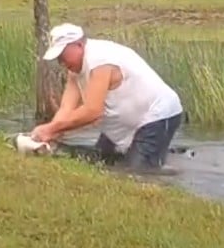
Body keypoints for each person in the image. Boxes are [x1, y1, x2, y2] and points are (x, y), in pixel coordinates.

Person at [30, 22, 184, 170]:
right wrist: (52, 134)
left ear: (79, 45)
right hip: (122, 122)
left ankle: (174, 167)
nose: (60, 61)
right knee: (102, 164)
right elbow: (66, 108)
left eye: (62, 55)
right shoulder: (75, 69)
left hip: (158, 114)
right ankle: (159, 154)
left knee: (137, 172)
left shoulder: (100, 61)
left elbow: (92, 111)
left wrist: (50, 128)